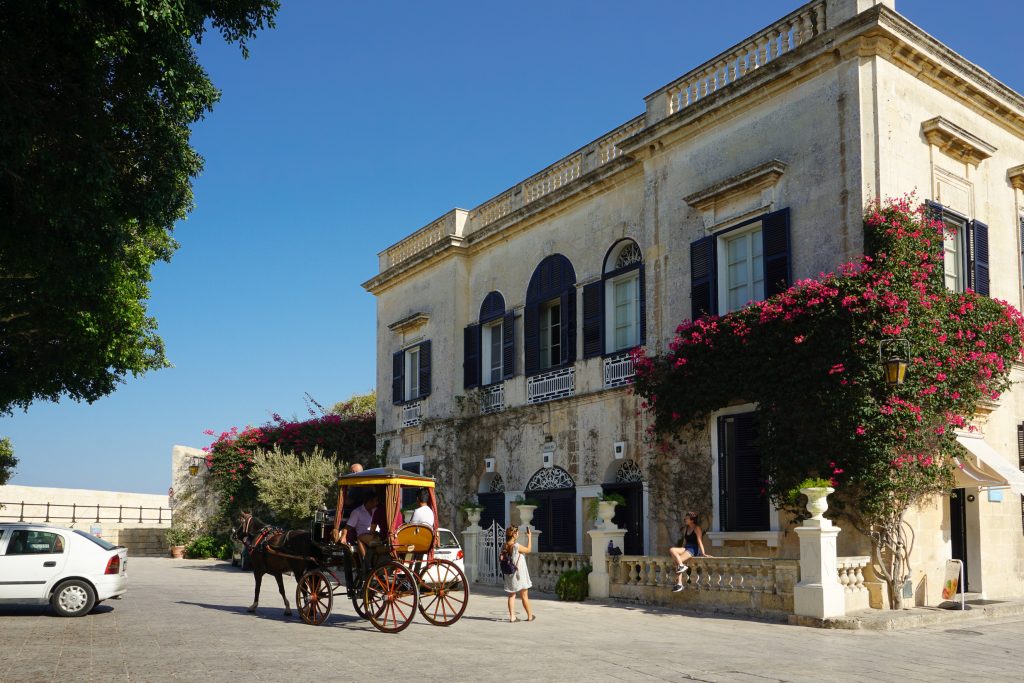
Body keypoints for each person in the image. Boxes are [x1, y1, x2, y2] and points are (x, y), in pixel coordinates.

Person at [670, 511, 711, 593]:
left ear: (692, 520)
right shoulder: (686, 528)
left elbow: (699, 541)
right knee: (672, 550)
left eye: (687, 518)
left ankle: (679, 584)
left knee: (678, 560)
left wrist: (703, 553)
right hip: (686, 547)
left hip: (693, 548)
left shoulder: (697, 528)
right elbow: (684, 541)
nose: (685, 519)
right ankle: (681, 566)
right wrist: (681, 549)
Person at [501, 525, 535, 622]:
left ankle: (512, 617)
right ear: (514, 534)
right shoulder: (516, 546)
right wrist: (529, 537)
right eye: (517, 532)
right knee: (524, 595)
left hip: (509, 573)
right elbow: (528, 550)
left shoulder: (504, 546)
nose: (518, 534)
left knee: (511, 595)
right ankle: (530, 616)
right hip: (519, 574)